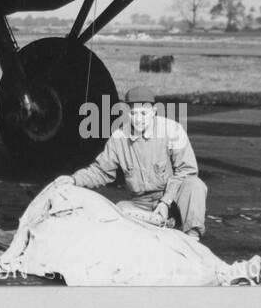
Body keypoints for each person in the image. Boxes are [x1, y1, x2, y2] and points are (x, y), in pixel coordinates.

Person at [56, 85, 208, 239]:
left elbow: (187, 170)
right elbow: (100, 171)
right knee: (119, 209)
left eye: (144, 113)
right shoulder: (118, 137)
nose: (139, 119)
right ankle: (163, 223)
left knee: (194, 185)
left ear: (154, 111)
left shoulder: (173, 130)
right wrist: (74, 179)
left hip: (171, 198)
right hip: (141, 203)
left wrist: (165, 201)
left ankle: (191, 236)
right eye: (134, 113)